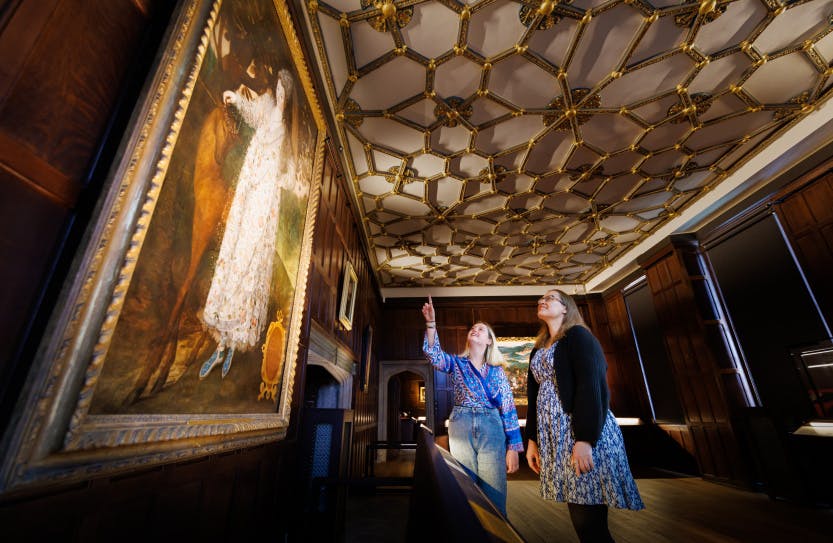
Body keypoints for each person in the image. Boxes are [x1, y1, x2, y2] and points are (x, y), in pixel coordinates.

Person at [199, 68, 307, 379]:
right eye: (280, 88)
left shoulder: (286, 133)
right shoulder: (267, 106)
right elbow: (251, 112)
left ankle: (232, 342)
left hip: (265, 198)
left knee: (251, 257)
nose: (281, 94)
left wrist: (295, 185)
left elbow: (288, 176)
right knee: (236, 249)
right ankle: (222, 340)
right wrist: (234, 99)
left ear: (289, 98)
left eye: (285, 91)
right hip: (251, 187)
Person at [525, 289, 643, 542]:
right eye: (539, 299)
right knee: (580, 514)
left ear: (566, 308)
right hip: (556, 438)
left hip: (582, 434)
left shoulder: (578, 337)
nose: (541, 301)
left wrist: (585, 440)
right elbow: (534, 397)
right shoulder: (538, 348)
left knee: (588, 521)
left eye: (549, 298)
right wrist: (533, 441)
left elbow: (591, 387)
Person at [422, 296, 523, 517]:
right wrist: (431, 324)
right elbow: (434, 355)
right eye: (472, 329)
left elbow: (508, 407)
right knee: (465, 488)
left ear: (489, 341)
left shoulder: (497, 371)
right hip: (461, 424)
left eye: (481, 329)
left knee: (494, 491)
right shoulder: (456, 364)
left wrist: (513, 448)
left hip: (491, 426)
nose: (475, 330)